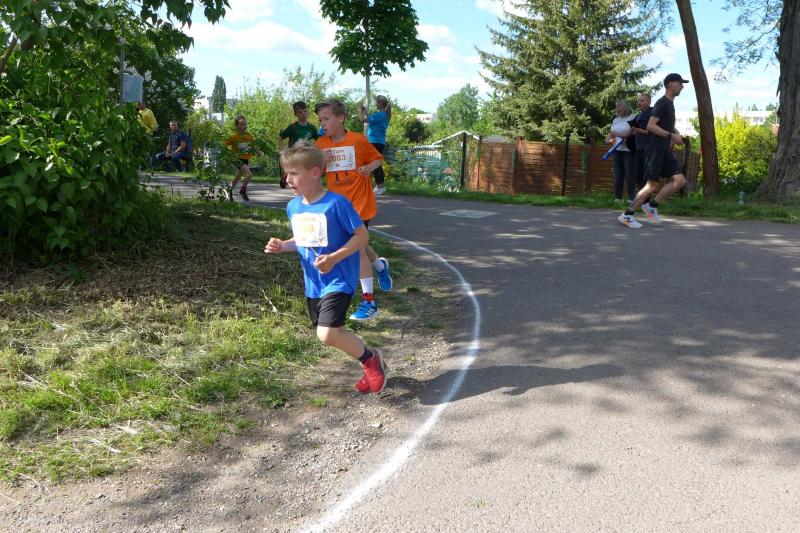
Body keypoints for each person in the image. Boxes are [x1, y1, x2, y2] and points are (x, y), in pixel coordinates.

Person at [264, 141, 387, 394]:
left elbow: (361, 236)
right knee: (336, 331)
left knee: (327, 333)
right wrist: (283, 245)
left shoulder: (336, 204)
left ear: (315, 172)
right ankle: (372, 360)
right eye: (286, 173)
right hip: (314, 283)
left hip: (339, 278)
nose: (287, 179)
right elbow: (304, 240)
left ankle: (370, 360)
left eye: (294, 173)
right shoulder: (293, 207)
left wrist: (335, 257)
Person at [315, 98, 393, 321]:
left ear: (341, 118)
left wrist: (368, 168)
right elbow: (316, 173)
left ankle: (369, 302)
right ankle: (380, 266)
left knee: (357, 248)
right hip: (337, 205)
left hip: (360, 202)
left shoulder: (358, 140)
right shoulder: (321, 144)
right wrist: (321, 161)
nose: (323, 123)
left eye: (327, 119)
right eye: (320, 120)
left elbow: (377, 159)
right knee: (359, 244)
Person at [618, 73, 689, 228]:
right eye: (680, 83)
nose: (682, 87)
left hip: (664, 150)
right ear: (670, 84)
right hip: (655, 150)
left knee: (680, 180)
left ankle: (652, 206)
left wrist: (675, 134)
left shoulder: (669, 104)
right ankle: (627, 215)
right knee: (651, 185)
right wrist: (671, 135)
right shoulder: (662, 103)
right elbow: (651, 126)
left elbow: (665, 125)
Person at [278, 101, 319, 189]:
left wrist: (316, 150)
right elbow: (280, 138)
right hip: (294, 155)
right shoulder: (292, 127)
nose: (303, 114)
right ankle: (287, 175)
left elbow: (319, 140)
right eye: (300, 112)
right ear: (295, 114)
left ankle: (289, 176)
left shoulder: (312, 128)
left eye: (305, 111)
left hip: (306, 155)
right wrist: (282, 151)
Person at [357, 95, 391, 195]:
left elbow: (362, 120)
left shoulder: (380, 114)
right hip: (379, 141)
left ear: (380, 103)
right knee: (376, 164)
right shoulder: (383, 115)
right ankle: (380, 186)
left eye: (376, 102)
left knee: (374, 164)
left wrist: (360, 110)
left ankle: (379, 187)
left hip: (375, 141)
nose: (376, 104)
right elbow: (369, 118)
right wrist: (364, 111)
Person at [606, 100, 636, 204]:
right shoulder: (615, 120)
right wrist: (609, 139)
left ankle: (631, 199)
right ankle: (617, 198)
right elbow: (611, 134)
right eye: (616, 107)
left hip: (629, 150)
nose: (617, 109)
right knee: (618, 175)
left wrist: (617, 133)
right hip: (616, 150)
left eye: (619, 107)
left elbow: (631, 132)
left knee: (630, 175)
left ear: (625, 108)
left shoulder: (633, 117)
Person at [224, 115, 257, 201]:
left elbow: (253, 146)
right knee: (249, 174)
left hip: (245, 159)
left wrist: (257, 151)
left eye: (245, 124)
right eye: (242, 124)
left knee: (238, 177)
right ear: (236, 126)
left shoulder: (249, 136)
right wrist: (226, 154)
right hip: (236, 159)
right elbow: (224, 144)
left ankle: (229, 189)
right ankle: (243, 191)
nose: (244, 126)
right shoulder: (234, 136)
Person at [630, 94, 653, 190]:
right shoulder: (637, 116)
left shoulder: (652, 114)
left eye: (642, 101)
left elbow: (654, 132)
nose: (639, 103)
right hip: (638, 148)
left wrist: (640, 130)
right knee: (637, 175)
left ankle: (645, 198)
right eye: (638, 101)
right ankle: (641, 197)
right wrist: (633, 131)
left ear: (648, 102)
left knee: (646, 176)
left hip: (648, 148)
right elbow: (633, 131)